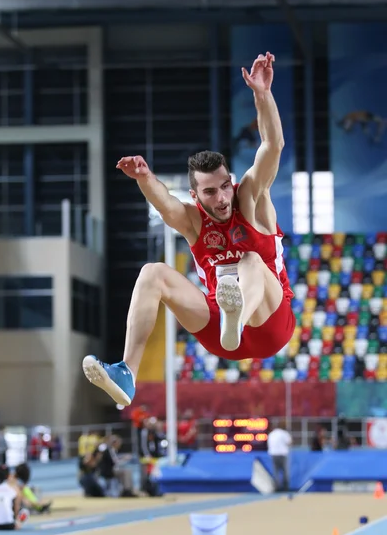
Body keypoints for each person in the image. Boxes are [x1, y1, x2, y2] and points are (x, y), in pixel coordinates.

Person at [82, 51, 295, 406]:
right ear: (196, 195)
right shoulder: (193, 220)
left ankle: (237, 317)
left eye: (225, 185)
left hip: (269, 324)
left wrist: (262, 94)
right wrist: (144, 178)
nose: (223, 197)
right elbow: (165, 205)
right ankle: (126, 373)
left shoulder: (252, 199)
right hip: (219, 331)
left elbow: (272, 145)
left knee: (251, 263)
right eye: (211, 192)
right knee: (153, 273)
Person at [0, 464, 21, 530]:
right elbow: (17, 505)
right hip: (8, 524)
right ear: (8, 476)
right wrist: (17, 520)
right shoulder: (13, 488)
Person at [267, 421, 292, 492]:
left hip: (273, 454)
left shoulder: (271, 434)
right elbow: (289, 443)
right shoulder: (284, 434)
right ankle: (286, 487)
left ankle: (277, 487)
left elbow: (269, 444)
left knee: (276, 471)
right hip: (283, 454)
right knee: (285, 471)